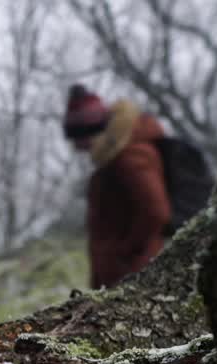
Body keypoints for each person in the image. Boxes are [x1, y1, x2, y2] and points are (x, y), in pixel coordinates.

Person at [63, 84, 171, 289]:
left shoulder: (131, 157)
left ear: (92, 132)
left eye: (79, 140)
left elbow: (156, 212)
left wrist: (124, 253)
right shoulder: (113, 160)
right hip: (122, 275)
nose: (78, 148)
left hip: (134, 276)